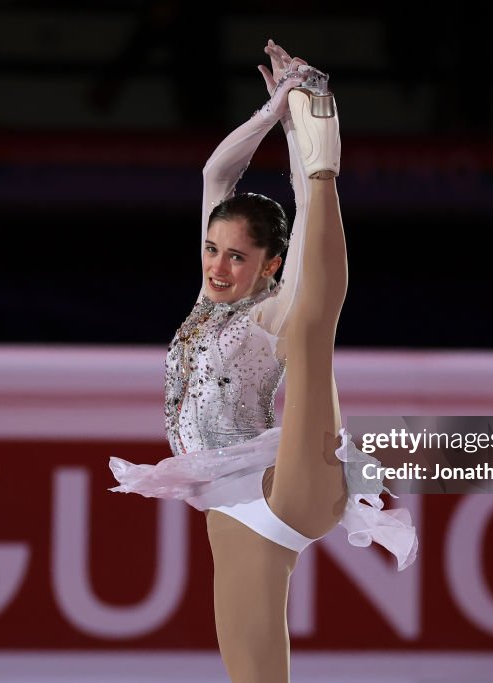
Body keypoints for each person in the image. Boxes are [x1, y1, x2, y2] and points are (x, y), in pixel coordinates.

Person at [109, 40, 417, 682]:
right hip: (238, 513)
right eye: (212, 249)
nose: (218, 266)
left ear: (270, 263)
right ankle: (309, 120)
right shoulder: (208, 297)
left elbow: (304, 243)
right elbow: (215, 175)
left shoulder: (270, 308)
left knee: (311, 327)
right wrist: (271, 111)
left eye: (237, 256)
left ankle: (323, 136)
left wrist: (304, 139)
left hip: (284, 488)